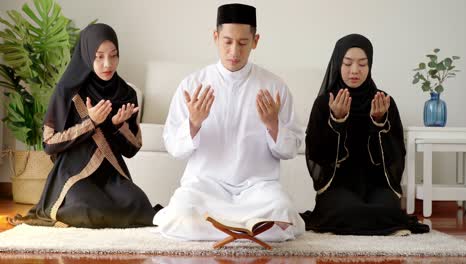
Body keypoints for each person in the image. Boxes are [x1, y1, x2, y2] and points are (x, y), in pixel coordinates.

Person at [153, 3, 305, 241]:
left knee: (282, 213)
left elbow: (291, 149)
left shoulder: (274, 87)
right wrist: (193, 123)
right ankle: (246, 231)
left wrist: (273, 125)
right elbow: (173, 147)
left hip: (258, 189)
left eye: (243, 43)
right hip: (205, 187)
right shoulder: (193, 85)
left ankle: (222, 230)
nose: (234, 51)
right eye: (227, 41)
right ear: (215, 37)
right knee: (181, 213)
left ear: (255, 41)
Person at [8, 23, 159, 228]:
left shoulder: (126, 94)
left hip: (110, 174)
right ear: (87, 55)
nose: (108, 64)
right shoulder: (67, 90)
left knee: (138, 203)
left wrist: (117, 126)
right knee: (88, 209)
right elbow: (49, 143)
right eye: (99, 56)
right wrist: (91, 123)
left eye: (114, 55)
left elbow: (131, 150)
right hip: (74, 174)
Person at [300, 34, 429, 235]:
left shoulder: (383, 102)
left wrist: (379, 123)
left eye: (362, 64)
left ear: (370, 66)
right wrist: (337, 121)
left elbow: (396, 155)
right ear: (337, 63)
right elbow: (316, 154)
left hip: (376, 184)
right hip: (337, 186)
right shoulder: (325, 103)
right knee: (347, 211)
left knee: (388, 210)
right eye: (347, 63)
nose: (354, 71)